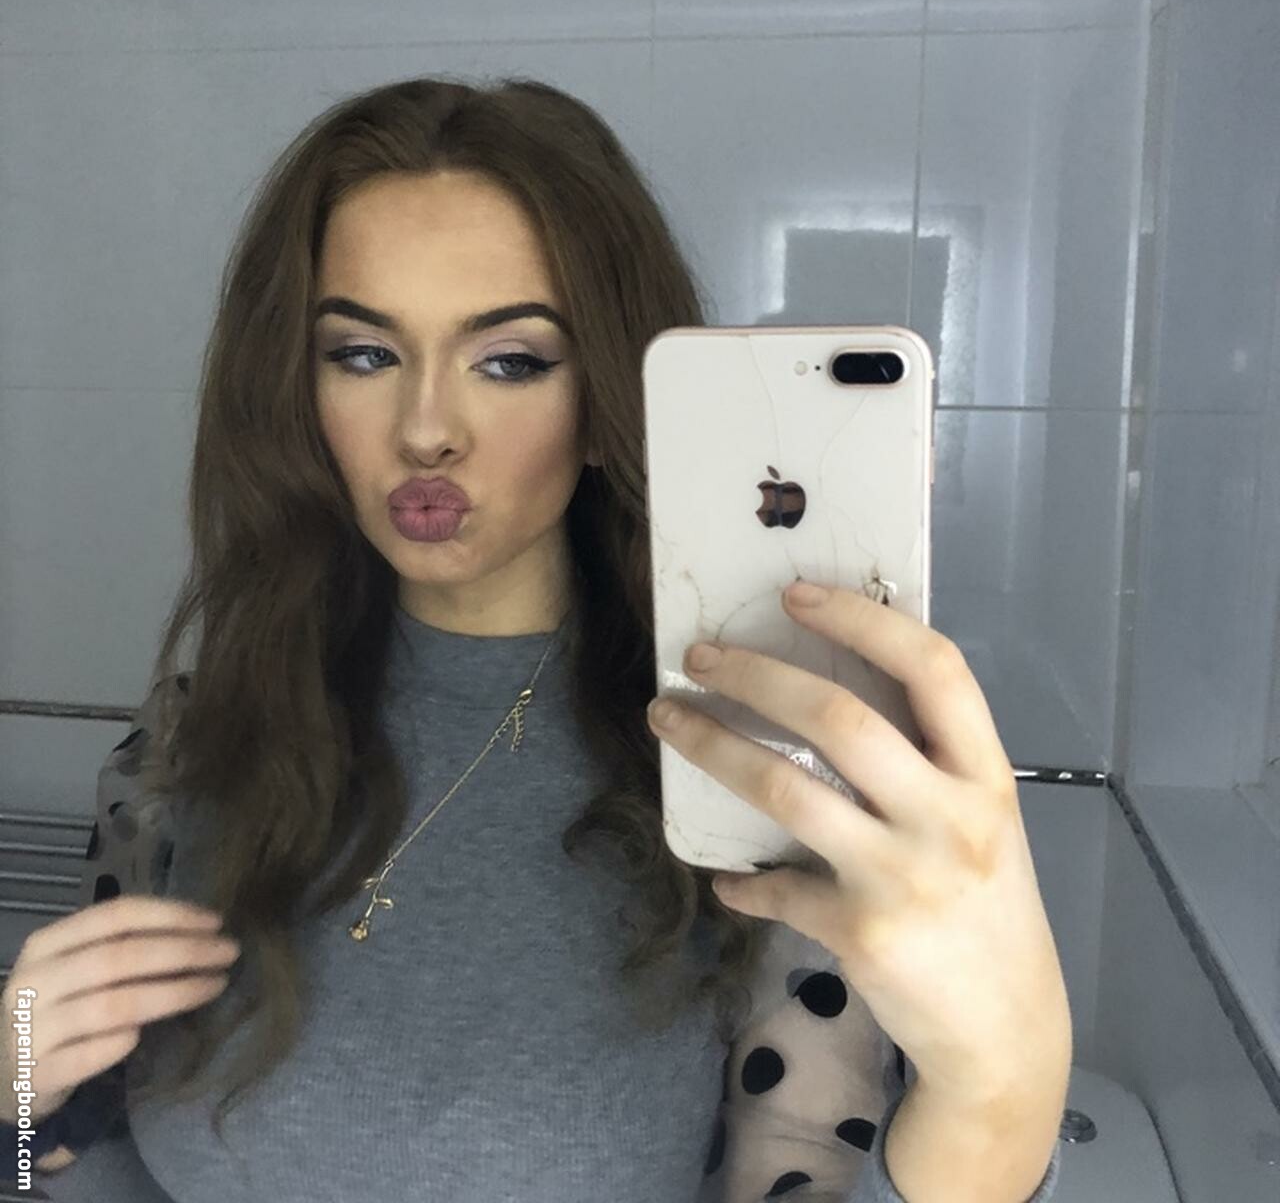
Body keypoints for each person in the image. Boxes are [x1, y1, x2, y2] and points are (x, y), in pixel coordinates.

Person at [1, 76, 1067, 1202]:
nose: (425, 429)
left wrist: (1002, 1088)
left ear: (605, 401)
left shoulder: (751, 780)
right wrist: (17, 1099)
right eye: (362, 354)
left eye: (510, 360)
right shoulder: (193, 740)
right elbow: (80, 1167)